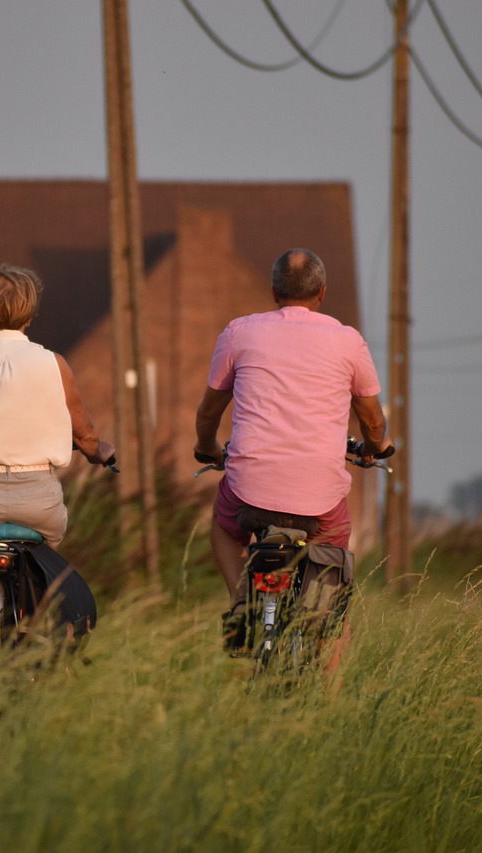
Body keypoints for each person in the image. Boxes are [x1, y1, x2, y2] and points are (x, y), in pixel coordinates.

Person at [193, 248, 391, 669]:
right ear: (322, 293)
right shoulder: (347, 340)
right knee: (332, 599)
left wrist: (207, 447)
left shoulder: (239, 332)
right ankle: (332, 707)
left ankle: (243, 602)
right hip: (320, 503)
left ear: (273, 292)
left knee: (225, 530)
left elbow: (209, 411)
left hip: (249, 492)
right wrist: (375, 448)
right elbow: (372, 420)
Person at [0, 263, 115, 548]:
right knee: (47, 566)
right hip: (39, 505)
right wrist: (99, 453)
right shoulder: (55, 364)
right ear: (30, 314)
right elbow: (84, 435)